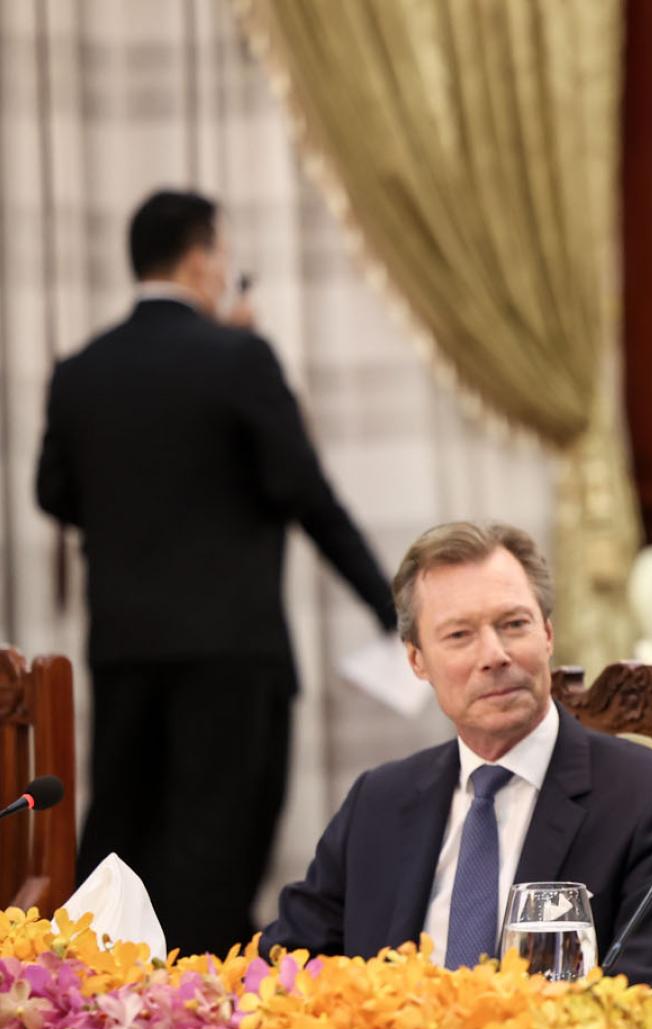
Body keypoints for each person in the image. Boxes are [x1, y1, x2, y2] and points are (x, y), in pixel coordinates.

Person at [35, 190, 397, 956]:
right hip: (233, 650)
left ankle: (90, 1007)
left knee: (121, 835)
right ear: (202, 260)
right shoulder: (239, 358)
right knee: (216, 849)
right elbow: (305, 491)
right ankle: (195, 1024)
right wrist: (389, 605)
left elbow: (52, 492)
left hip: (126, 646)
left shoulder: (81, 370)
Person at [263, 522, 652, 983]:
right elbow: (284, 965)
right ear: (417, 660)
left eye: (513, 624)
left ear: (548, 636)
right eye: (460, 635)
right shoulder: (378, 800)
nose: (494, 655)